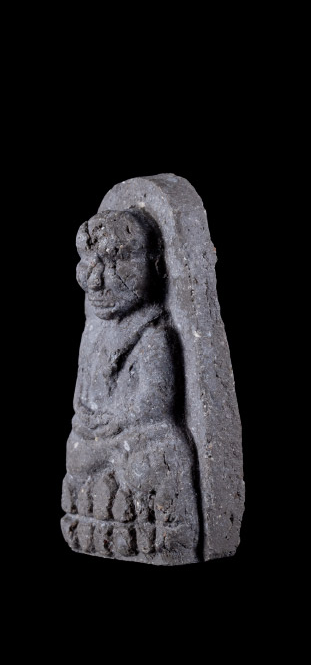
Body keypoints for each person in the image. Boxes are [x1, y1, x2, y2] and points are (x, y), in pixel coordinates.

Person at [62, 210, 199, 561]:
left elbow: (155, 404)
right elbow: (82, 398)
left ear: (156, 265)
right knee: (76, 451)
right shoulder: (93, 332)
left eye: (114, 261)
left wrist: (118, 424)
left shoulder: (153, 334)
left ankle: (169, 534)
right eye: (88, 261)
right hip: (102, 437)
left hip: (136, 435)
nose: (94, 280)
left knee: (158, 455)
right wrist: (90, 424)